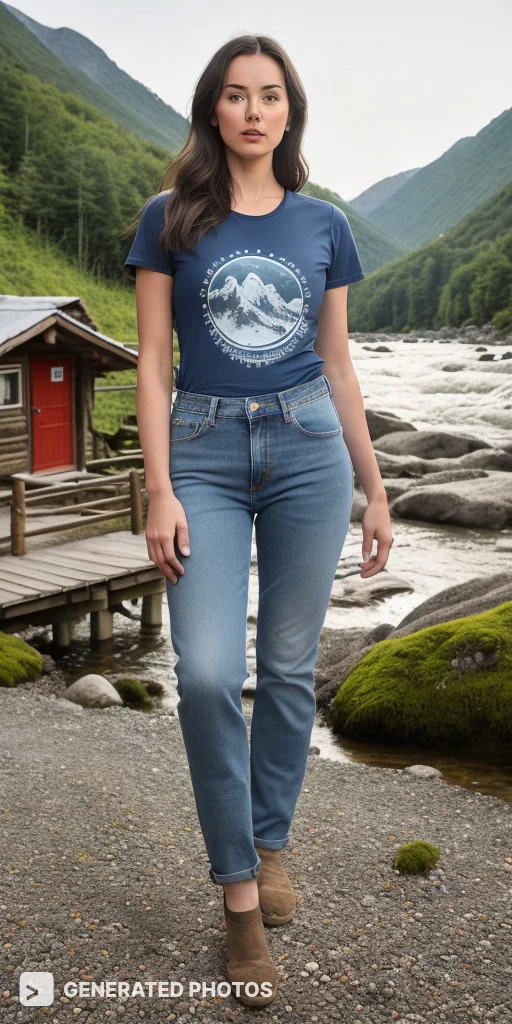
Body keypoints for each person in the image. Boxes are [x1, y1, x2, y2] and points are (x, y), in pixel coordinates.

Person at [124, 33, 393, 1009]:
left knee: (285, 669)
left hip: (309, 453)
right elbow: (151, 360)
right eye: (234, 95)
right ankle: (237, 897)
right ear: (211, 110)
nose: (250, 110)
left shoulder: (323, 224)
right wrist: (156, 485)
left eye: (268, 95)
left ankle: (267, 843)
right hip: (198, 450)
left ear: (288, 112)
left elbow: (337, 362)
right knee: (201, 673)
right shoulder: (170, 218)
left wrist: (375, 484)